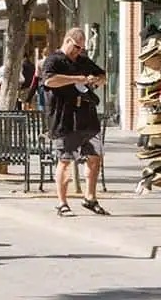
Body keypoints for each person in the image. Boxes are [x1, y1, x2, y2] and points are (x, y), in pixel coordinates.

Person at [42, 27, 110, 217]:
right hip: (65, 118)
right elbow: (49, 81)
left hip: (87, 117)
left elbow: (103, 76)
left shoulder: (83, 61)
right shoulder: (54, 60)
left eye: (82, 48)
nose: (79, 51)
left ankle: (90, 198)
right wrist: (76, 79)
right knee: (65, 160)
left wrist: (96, 80)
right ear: (68, 41)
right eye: (77, 47)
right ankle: (62, 203)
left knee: (95, 157)